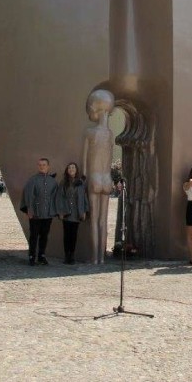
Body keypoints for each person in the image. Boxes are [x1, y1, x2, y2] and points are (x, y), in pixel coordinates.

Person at [83, 89, 115, 264]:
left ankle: (95, 257)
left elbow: (85, 166)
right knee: (104, 220)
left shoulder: (90, 133)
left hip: (94, 178)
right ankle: (102, 258)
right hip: (107, 178)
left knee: (94, 220)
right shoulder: (110, 134)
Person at [20, 157, 59, 266]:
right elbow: (29, 195)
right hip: (35, 213)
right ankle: (32, 256)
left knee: (44, 235)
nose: (42, 167)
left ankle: (42, 255)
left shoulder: (53, 182)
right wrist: (29, 210)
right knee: (34, 235)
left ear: (48, 166)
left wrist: (57, 210)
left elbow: (56, 197)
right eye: (40, 165)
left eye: (44, 165)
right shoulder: (33, 180)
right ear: (38, 166)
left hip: (48, 214)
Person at [57, 162, 89, 264]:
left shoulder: (80, 183)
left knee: (74, 235)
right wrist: (61, 211)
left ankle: (72, 255)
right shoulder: (63, 182)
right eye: (69, 168)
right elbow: (60, 197)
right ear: (67, 170)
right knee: (66, 235)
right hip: (67, 212)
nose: (71, 169)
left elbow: (84, 198)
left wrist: (84, 211)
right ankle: (67, 256)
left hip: (76, 213)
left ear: (76, 170)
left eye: (73, 167)